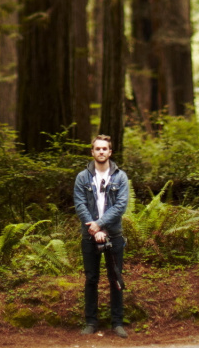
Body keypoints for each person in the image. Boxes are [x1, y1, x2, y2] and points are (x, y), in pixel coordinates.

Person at [73, 134, 129, 337]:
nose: (101, 152)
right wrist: (94, 229)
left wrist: (100, 225)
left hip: (113, 235)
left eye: (105, 148)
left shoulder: (120, 177)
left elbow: (121, 206)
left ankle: (117, 323)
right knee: (91, 279)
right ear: (92, 152)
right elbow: (79, 204)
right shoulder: (82, 177)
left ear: (110, 152)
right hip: (89, 236)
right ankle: (91, 322)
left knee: (115, 278)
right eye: (98, 149)